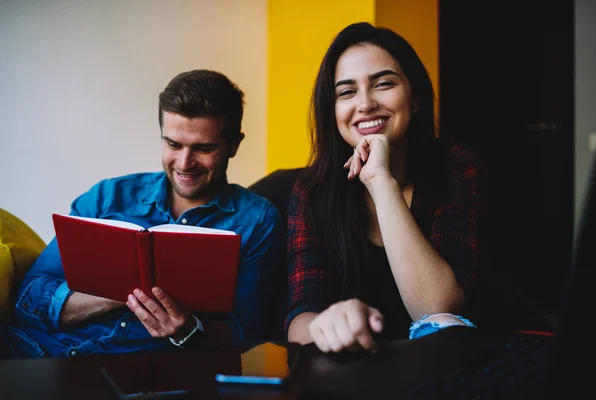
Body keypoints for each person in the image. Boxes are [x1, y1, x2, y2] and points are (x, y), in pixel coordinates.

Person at [4, 69, 284, 358]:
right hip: (31, 349)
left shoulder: (257, 221)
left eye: (203, 148)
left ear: (234, 145)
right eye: (173, 144)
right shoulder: (107, 198)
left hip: (128, 374)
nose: (184, 163)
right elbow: (28, 301)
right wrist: (118, 293)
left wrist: (188, 330)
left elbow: (250, 332)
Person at [285, 22, 483, 353]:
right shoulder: (311, 191)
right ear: (331, 110)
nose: (365, 104)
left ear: (415, 98)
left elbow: (438, 311)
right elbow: (300, 318)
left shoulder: (455, 166)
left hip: (446, 367)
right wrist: (327, 325)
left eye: (384, 84)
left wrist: (381, 181)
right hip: (351, 373)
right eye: (346, 92)